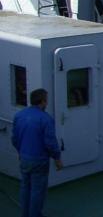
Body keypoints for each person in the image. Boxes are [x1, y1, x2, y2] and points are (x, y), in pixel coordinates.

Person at [12, 89, 62, 217]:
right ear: (43, 101)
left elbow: (15, 139)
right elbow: (50, 143)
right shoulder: (46, 119)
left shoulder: (19, 115)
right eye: (46, 100)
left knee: (25, 187)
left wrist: (21, 152)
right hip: (39, 161)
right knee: (37, 191)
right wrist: (57, 158)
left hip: (24, 158)